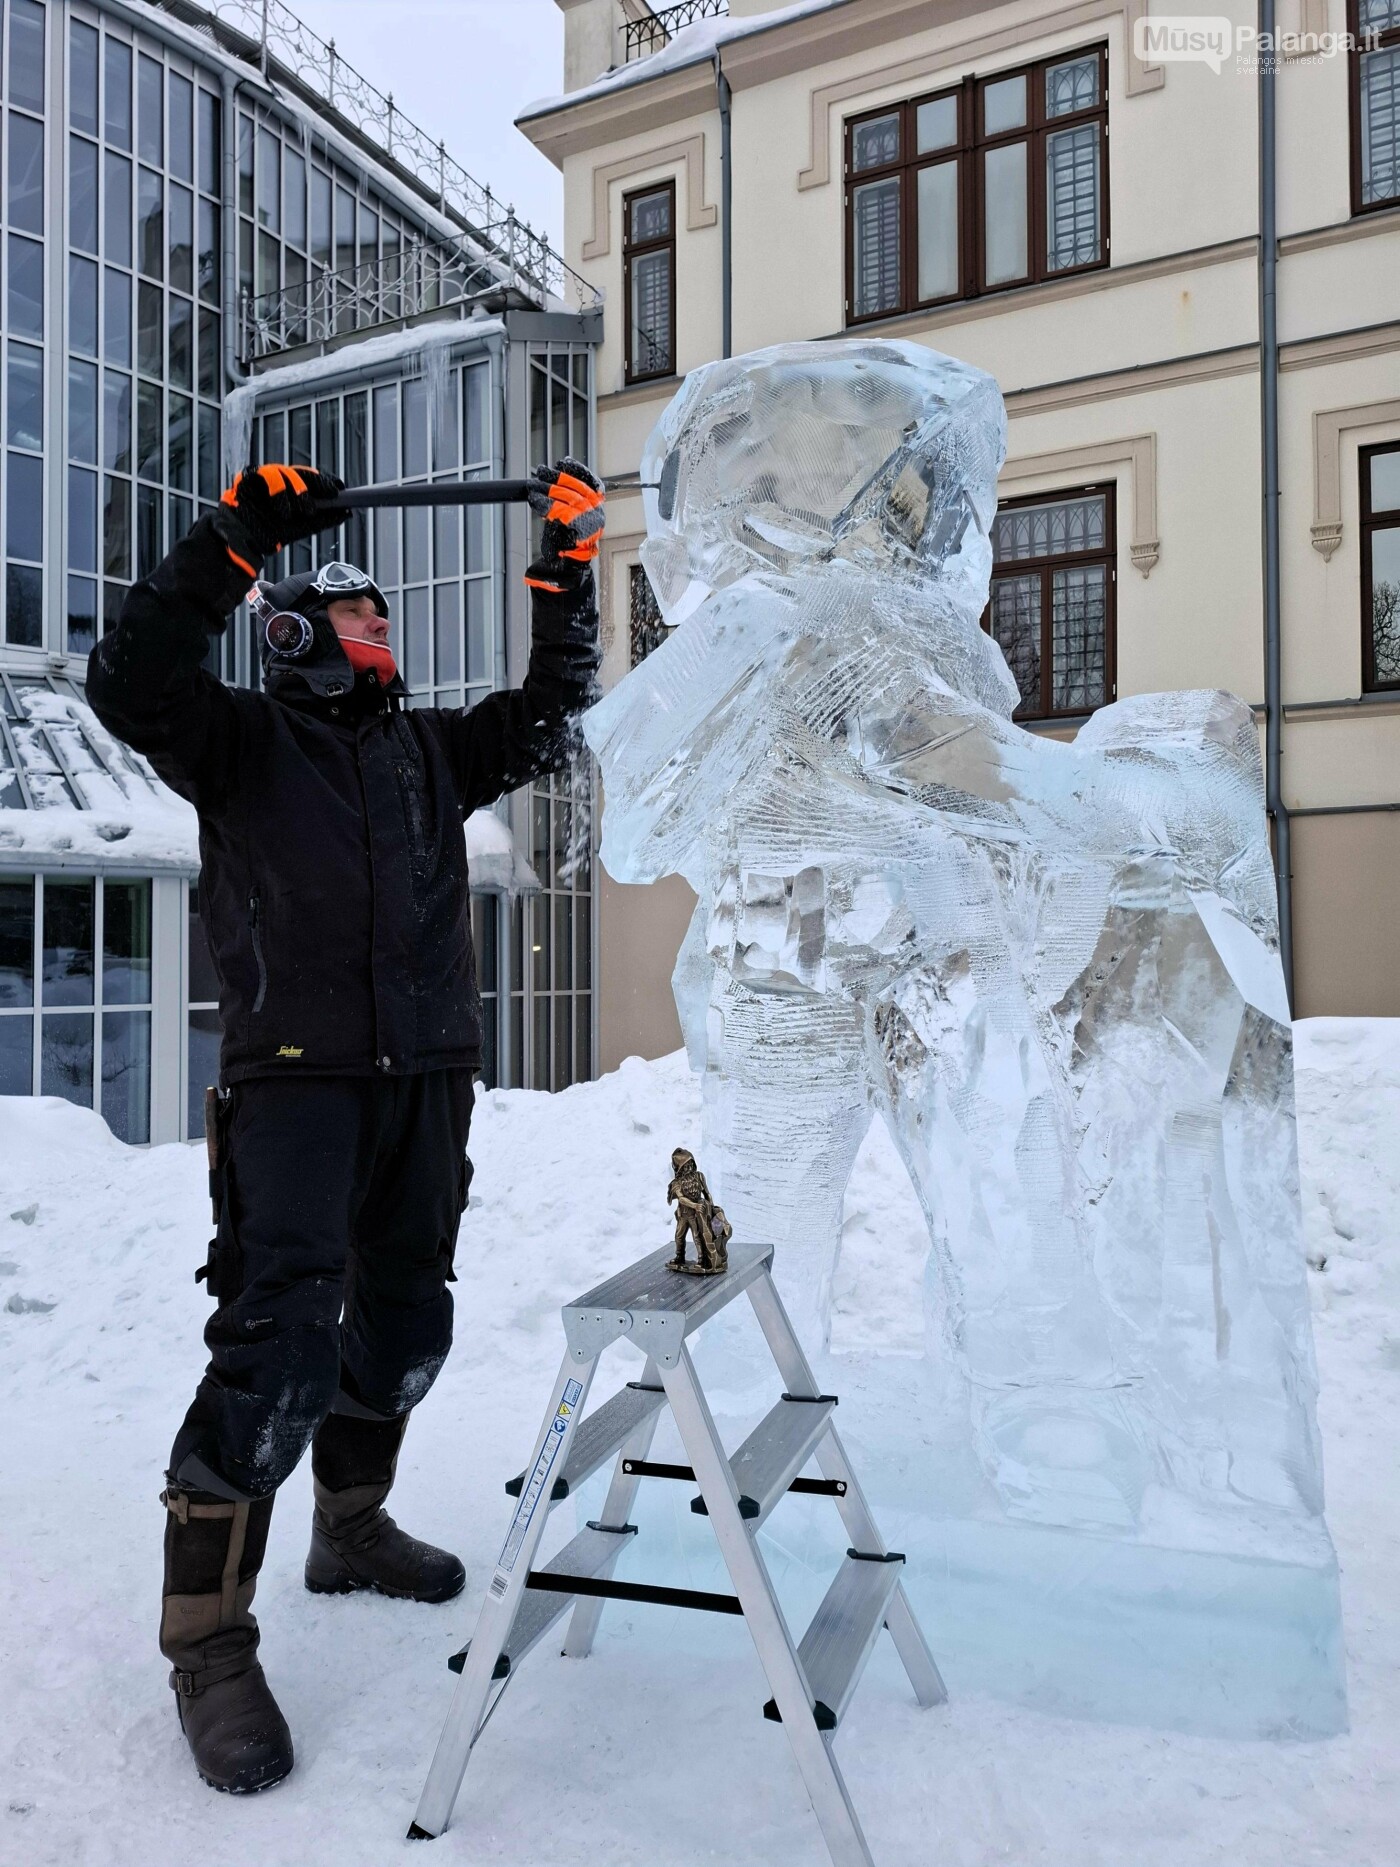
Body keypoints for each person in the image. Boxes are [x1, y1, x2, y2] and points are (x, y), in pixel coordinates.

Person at [86, 456, 604, 1795]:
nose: (385, 637)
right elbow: (129, 680)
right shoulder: (242, 745)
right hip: (295, 1092)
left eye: (385, 622)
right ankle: (207, 1643)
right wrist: (236, 538)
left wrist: (566, 573)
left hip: (424, 1079)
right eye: (364, 620)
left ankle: (350, 1524)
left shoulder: (429, 752)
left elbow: (550, 718)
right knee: (276, 1359)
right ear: (300, 636)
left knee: (409, 1330)